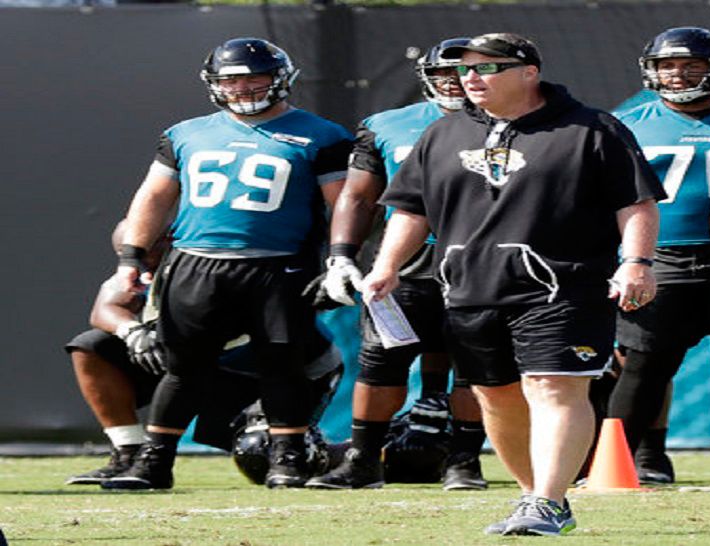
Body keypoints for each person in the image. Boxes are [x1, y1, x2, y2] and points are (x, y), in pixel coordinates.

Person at [365, 33, 664, 535]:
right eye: (463, 71)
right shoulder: (442, 134)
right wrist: (387, 264)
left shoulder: (591, 128)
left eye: (488, 68)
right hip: (469, 289)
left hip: (562, 287)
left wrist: (637, 261)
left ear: (529, 72)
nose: (471, 79)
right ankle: (539, 497)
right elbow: (410, 208)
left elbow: (636, 203)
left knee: (553, 388)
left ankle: (547, 501)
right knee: (495, 397)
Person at [101, 37, 352, 490]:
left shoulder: (323, 135)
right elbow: (154, 197)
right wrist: (130, 257)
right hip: (198, 263)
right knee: (185, 367)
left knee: (282, 363)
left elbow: (347, 204)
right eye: (230, 79)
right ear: (214, 84)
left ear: (281, 79)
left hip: (280, 265)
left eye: (254, 77)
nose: (243, 87)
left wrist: (341, 257)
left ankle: (288, 457)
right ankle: (154, 463)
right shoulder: (185, 133)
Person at [303, 38, 488, 491]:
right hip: (405, 266)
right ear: (427, 79)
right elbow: (359, 195)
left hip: (483, 264)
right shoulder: (387, 125)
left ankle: (464, 460)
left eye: (462, 74)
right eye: (444, 74)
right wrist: (342, 257)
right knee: (380, 363)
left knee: (476, 369)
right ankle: (364, 460)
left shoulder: (512, 123)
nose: (454, 83)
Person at [608, 27, 710, 485]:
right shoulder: (625, 124)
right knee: (643, 362)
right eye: (667, 66)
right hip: (659, 256)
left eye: (691, 66)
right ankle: (621, 463)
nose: (678, 75)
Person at [66, 220, 346, 486]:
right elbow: (105, 307)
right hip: (208, 367)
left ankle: (360, 454)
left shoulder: (208, 260)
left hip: (282, 368)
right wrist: (133, 331)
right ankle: (128, 450)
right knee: (93, 346)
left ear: (168, 240)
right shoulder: (137, 269)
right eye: (130, 255)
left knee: (259, 452)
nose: (143, 264)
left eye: (146, 253)